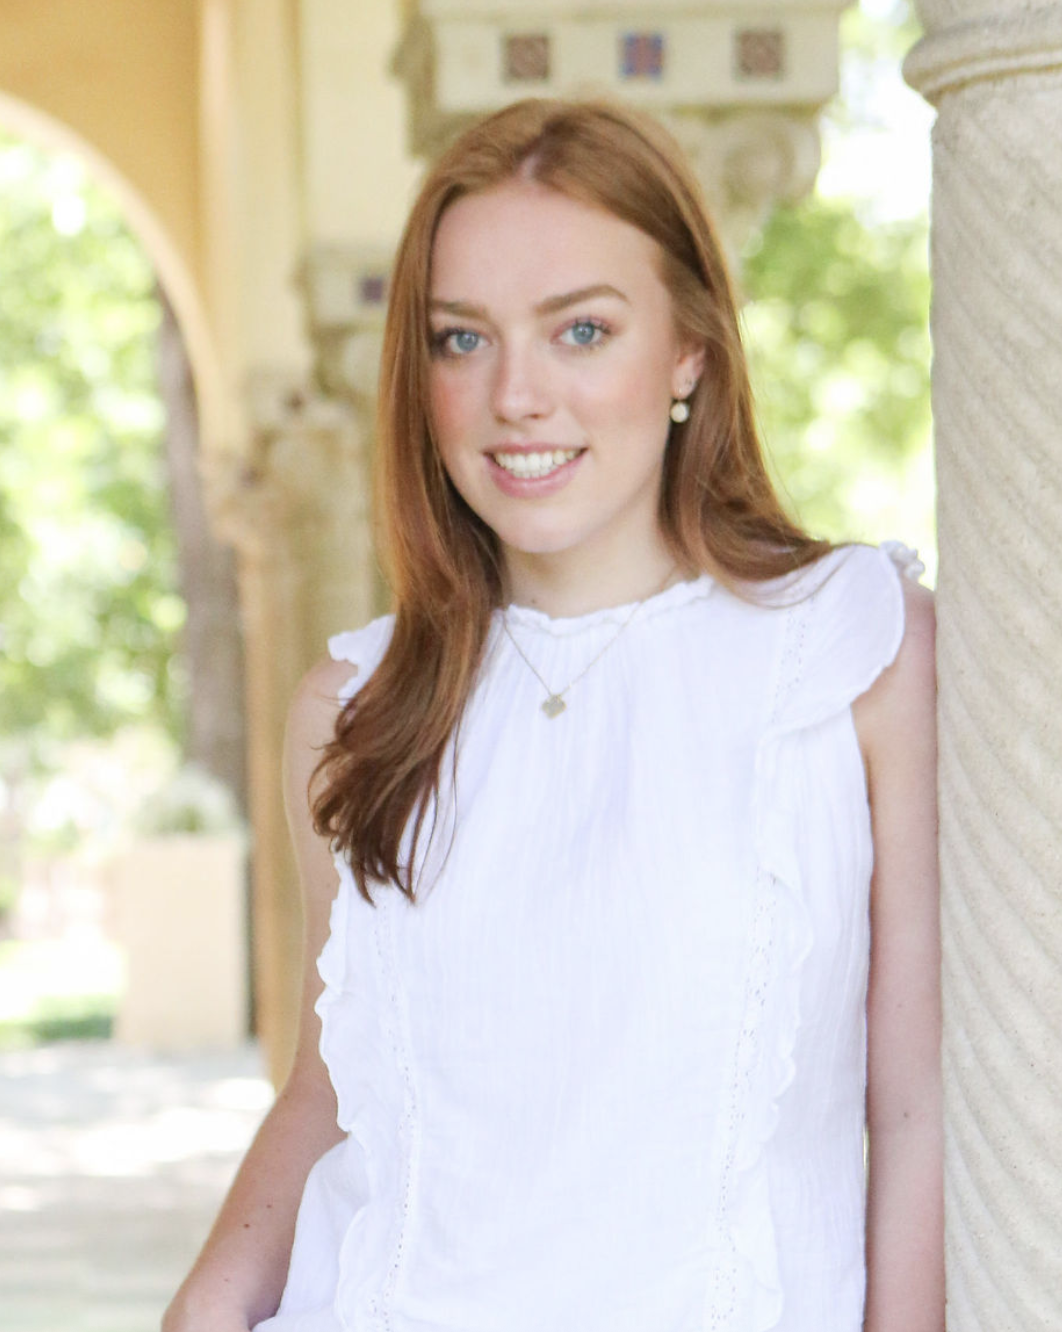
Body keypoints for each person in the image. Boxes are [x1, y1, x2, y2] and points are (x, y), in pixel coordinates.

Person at [163, 97, 942, 1332]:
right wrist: (205, 1307)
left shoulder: (853, 649)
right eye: (460, 340)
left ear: (690, 350)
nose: (516, 395)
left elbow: (916, 1106)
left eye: (581, 330)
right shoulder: (355, 710)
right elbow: (332, 1093)